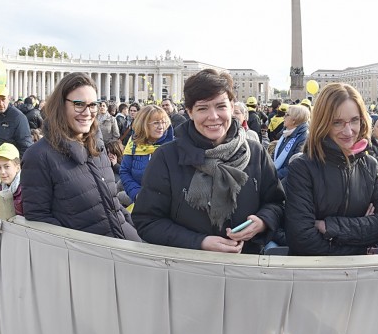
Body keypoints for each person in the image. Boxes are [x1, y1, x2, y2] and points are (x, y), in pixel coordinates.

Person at [132, 69, 284, 254]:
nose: (213, 116)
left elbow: (277, 204)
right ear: (189, 112)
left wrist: (262, 221)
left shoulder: (255, 152)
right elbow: (147, 221)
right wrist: (199, 242)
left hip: (246, 265)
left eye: (221, 106)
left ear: (232, 106)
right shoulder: (166, 157)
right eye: (202, 108)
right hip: (189, 268)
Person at [21, 72, 139, 239]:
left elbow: (113, 204)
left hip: (125, 245)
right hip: (89, 256)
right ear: (61, 105)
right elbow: (40, 222)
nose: (87, 112)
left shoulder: (97, 146)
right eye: (79, 104)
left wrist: (136, 233)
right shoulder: (38, 156)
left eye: (92, 105)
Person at [283, 83, 378, 255]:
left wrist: (330, 227)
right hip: (315, 275)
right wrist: (361, 241)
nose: (348, 131)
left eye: (354, 120)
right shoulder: (302, 167)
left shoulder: (370, 165)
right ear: (322, 123)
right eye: (337, 122)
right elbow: (302, 239)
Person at [119, 105, 174, 204]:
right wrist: (136, 193)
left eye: (163, 122)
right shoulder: (133, 145)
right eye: (156, 123)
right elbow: (125, 172)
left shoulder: (174, 147)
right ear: (144, 124)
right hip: (139, 202)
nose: (161, 127)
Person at [0, 89, 33, 164]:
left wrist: (16, 167)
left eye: (3, 99)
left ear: (9, 98)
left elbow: (25, 147)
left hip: (8, 167)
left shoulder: (18, 117)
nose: (1, 103)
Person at [273, 104, 310, 181]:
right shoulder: (286, 133)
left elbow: (296, 165)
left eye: (287, 115)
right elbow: (275, 155)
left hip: (288, 181)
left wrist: (274, 175)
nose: (284, 117)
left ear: (294, 120)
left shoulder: (304, 137)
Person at [0, 143, 23, 215]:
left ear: (17, 167)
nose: (2, 172)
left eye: (7, 166)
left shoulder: (26, 189)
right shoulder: (2, 188)